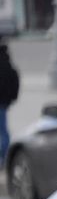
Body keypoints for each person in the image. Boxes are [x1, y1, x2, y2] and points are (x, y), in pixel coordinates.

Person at [0, 35, 18, 164]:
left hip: (2, 101)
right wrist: (11, 98)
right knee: (3, 132)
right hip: (3, 102)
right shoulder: (6, 60)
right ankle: (4, 158)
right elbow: (14, 79)